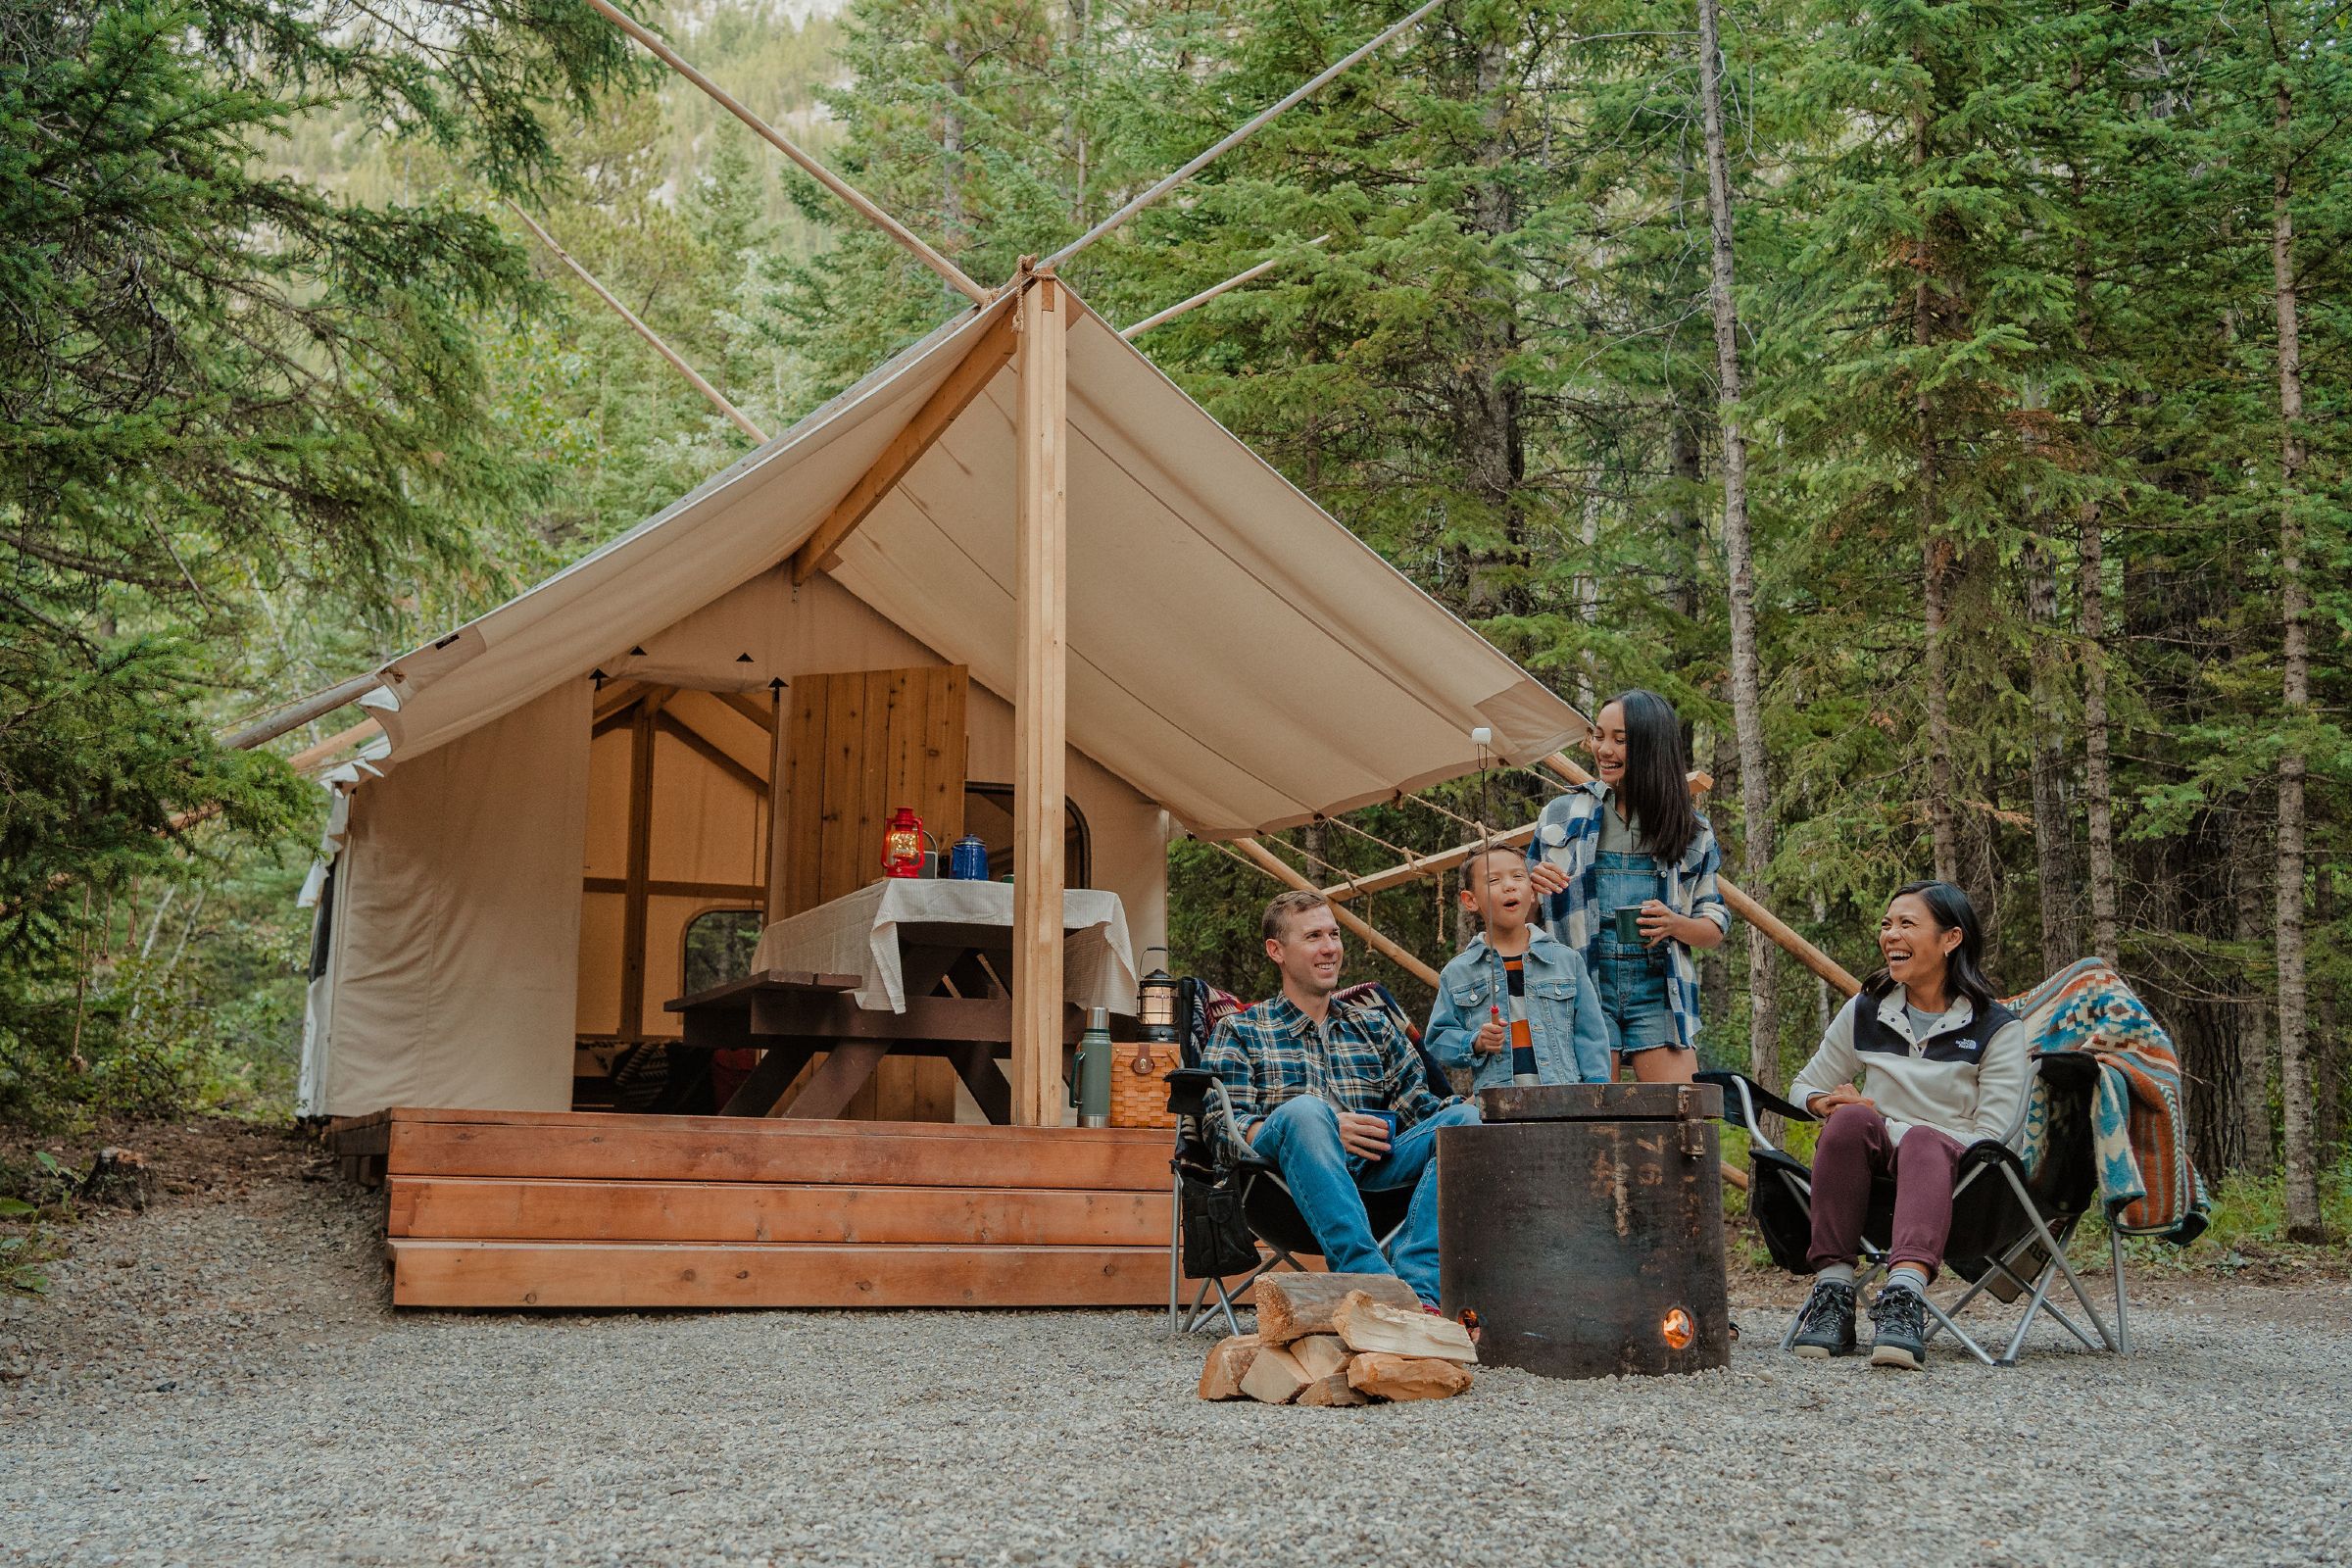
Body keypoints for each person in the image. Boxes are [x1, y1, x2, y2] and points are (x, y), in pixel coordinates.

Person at [1784, 881, 2031, 1370]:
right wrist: (1824, 1101)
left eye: (1907, 924)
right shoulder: (1866, 1009)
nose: (1890, 934)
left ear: (1950, 940)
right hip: (1872, 1181)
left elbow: (1996, 1136)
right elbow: (1802, 1086)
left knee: (1921, 1139)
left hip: (1962, 1184)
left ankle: (1903, 1300)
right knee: (1851, 1120)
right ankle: (1833, 1293)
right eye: (1886, 924)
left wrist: (1892, 1125)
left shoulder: (1996, 1028)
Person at [1200, 889, 1480, 1308]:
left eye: (1334, 935)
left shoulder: (1375, 1027)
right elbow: (1219, 1131)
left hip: (1379, 1177)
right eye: (1313, 937)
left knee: (1463, 1125)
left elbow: (1421, 1108)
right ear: (1276, 950)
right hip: (1279, 1190)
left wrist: (1472, 1106)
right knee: (1307, 1111)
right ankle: (1373, 1285)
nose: (1330, 948)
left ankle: (1420, 1296)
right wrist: (1322, 1130)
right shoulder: (1242, 1030)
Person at [1526, 689, 1731, 1082]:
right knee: (1594, 1123)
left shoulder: (1690, 828)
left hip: (1658, 991)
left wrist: (1674, 925)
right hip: (1582, 987)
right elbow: (1522, 920)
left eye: (1620, 740)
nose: (1603, 749)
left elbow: (1713, 925)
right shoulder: (1561, 815)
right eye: (1599, 736)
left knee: (1679, 1118)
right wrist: (1533, 889)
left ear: (1652, 747)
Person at [1426, 845, 1612, 1090]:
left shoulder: (1566, 961)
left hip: (1564, 1101)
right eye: (1494, 880)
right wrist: (1475, 1042)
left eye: (1518, 876)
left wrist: (1596, 1092)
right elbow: (1438, 1038)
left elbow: (1591, 1036)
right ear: (1470, 900)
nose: (1509, 886)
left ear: (1532, 893)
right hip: (1497, 1110)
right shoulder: (1458, 972)